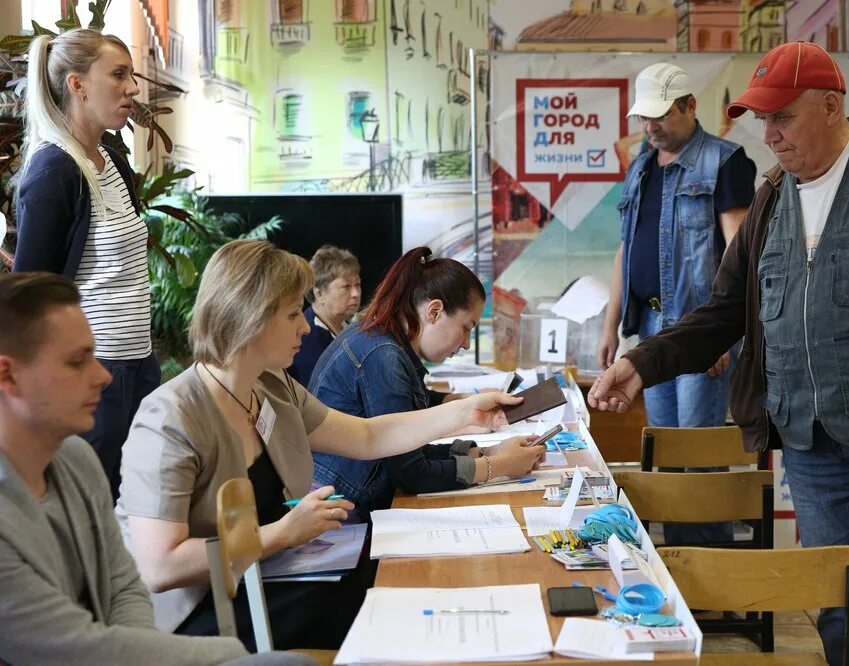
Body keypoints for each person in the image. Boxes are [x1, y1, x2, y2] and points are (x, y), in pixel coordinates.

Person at [589, 42, 849, 665]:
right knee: (837, 604)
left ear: (832, 106)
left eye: (783, 117)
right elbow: (724, 311)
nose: (770, 134)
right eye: (762, 119)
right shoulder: (772, 196)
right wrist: (641, 363)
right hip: (809, 441)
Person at [115, 240, 519, 651]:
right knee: (371, 606)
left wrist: (466, 412)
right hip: (200, 611)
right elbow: (160, 566)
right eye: (293, 313)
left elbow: (368, 436)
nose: (306, 327)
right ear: (249, 317)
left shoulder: (271, 386)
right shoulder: (170, 417)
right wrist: (279, 535)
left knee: (377, 584)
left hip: (263, 576)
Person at [0, 272, 317, 666]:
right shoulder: (171, 414)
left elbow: (124, 586)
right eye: (77, 361)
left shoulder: (75, 461)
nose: (101, 375)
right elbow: (70, 647)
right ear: (7, 375)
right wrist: (229, 654)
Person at [598, 62, 757, 544]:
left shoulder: (726, 162)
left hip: (697, 330)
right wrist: (610, 328)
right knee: (666, 453)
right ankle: (683, 571)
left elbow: (739, 253)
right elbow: (626, 249)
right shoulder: (641, 166)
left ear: (690, 106)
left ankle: (709, 570)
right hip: (648, 327)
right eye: (644, 118)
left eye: (661, 116)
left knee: (698, 456)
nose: (650, 127)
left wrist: (724, 331)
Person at [14, 29, 159, 500]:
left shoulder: (114, 160)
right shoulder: (54, 172)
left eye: (131, 75)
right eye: (118, 75)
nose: (133, 88)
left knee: (139, 503)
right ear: (77, 85)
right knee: (97, 504)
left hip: (139, 363)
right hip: (94, 372)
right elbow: (31, 299)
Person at [309, 247, 546, 515]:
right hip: (345, 515)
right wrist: (499, 466)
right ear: (434, 311)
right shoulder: (382, 356)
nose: (466, 344)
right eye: (466, 328)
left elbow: (410, 447)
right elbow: (411, 473)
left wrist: (489, 453)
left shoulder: (382, 341)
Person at [288, 245, 362, 385]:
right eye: (346, 286)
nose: (355, 294)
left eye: (357, 285)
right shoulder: (306, 337)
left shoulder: (348, 325)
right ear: (319, 293)